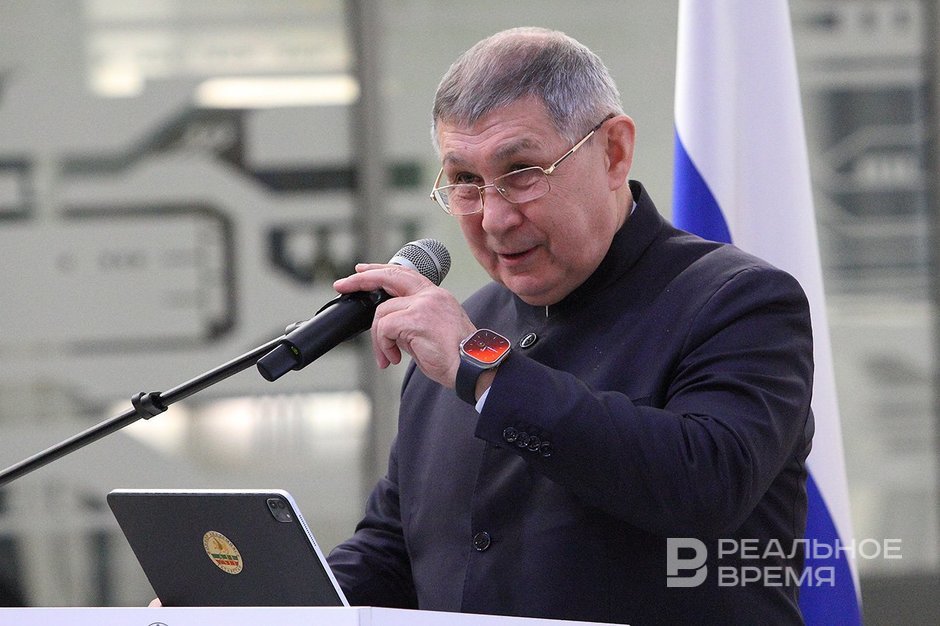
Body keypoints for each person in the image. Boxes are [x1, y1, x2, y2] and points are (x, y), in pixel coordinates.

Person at [327, 26, 814, 625]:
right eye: (466, 182)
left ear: (613, 152)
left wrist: (484, 372)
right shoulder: (462, 332)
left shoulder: (737, 300)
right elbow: (397, 554)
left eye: (522, 171)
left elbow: (705, 485)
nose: (494, 218)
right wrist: (263, 596)